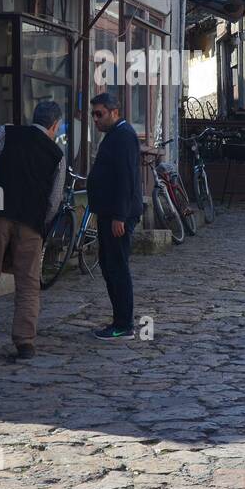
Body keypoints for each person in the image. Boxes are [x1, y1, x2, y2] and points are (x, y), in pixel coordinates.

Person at [0, 99, 66, 364]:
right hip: (30, 221)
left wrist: (2, 131)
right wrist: (41, 223)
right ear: (55, 125)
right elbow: (54, 200)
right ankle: (25, 342)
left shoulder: (7, 134)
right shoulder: (57, 154)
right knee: (28, 284)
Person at [86, 91, 142, 341]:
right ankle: (120, 320)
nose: (95, 119)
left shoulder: (123, 136)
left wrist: (120, 215)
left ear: (114, 112)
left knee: (117, 268)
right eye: (93, 114)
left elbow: (125, 179)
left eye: (100, 114)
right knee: (109, 267)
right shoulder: (114, 135)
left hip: (118, 215)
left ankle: (124, 324)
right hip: (109, 213)